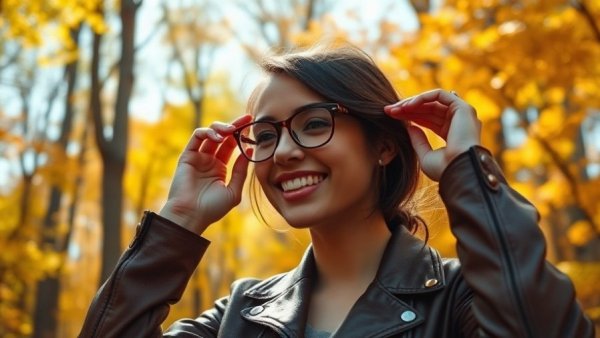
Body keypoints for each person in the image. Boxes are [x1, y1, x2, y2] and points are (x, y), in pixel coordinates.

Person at [79, 44, 594, 338]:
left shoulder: (462, 301)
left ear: (384, 145)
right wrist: (180, 221)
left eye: (314, 122)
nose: (282, 151)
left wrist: (466, 172)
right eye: (265, 134)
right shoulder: (240, 317)